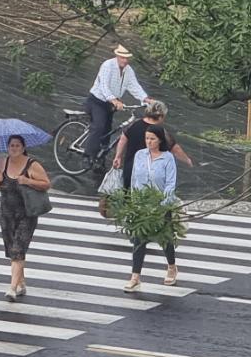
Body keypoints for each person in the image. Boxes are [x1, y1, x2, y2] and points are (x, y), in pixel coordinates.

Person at [0, 134, 50, 301]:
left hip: (27, 214)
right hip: (7, 214)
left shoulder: (32, 165)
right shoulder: (3, 163)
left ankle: (12, 288)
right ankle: (21, 283)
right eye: (11, 146)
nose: (14, 148)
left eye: (17, 145)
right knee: (13, 251)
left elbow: (46, 184)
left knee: (18, 249)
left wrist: (27, 181)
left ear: (23, 148)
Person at [125, 127, 179, 291]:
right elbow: (135, 179)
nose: (149, 142)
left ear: (160, 140)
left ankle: (171, 266)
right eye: (147, 138)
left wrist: (162, 206)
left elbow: (170, 184)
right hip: (142, 204)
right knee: (138, 240)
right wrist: (134, 202)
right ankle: (135, 276)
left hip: (161, 204)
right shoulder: (139, 155)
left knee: (165, 238)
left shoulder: (168, 158)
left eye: (152, 139)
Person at [108, 98, 194, 196]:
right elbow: (175, 149)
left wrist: (118, 156)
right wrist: (187, 160)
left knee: (128, 198)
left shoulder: (134, 124)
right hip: (149, 174)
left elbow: (123, 138)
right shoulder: (160, 131)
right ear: (161, 116)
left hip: (130, 169)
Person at [83, 45, 146, 164]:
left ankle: (100, 158)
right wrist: (114, 100)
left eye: (127, 58)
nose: (125, 60)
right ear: (117, 56)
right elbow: (103, 86)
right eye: (122, 57)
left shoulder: (128, 70)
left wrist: (146, 99)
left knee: (108, 131)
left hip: (110, 105)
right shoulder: (108, 66)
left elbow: (134, 86)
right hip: (97, 101)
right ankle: (88, 156)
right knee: (99, 127)